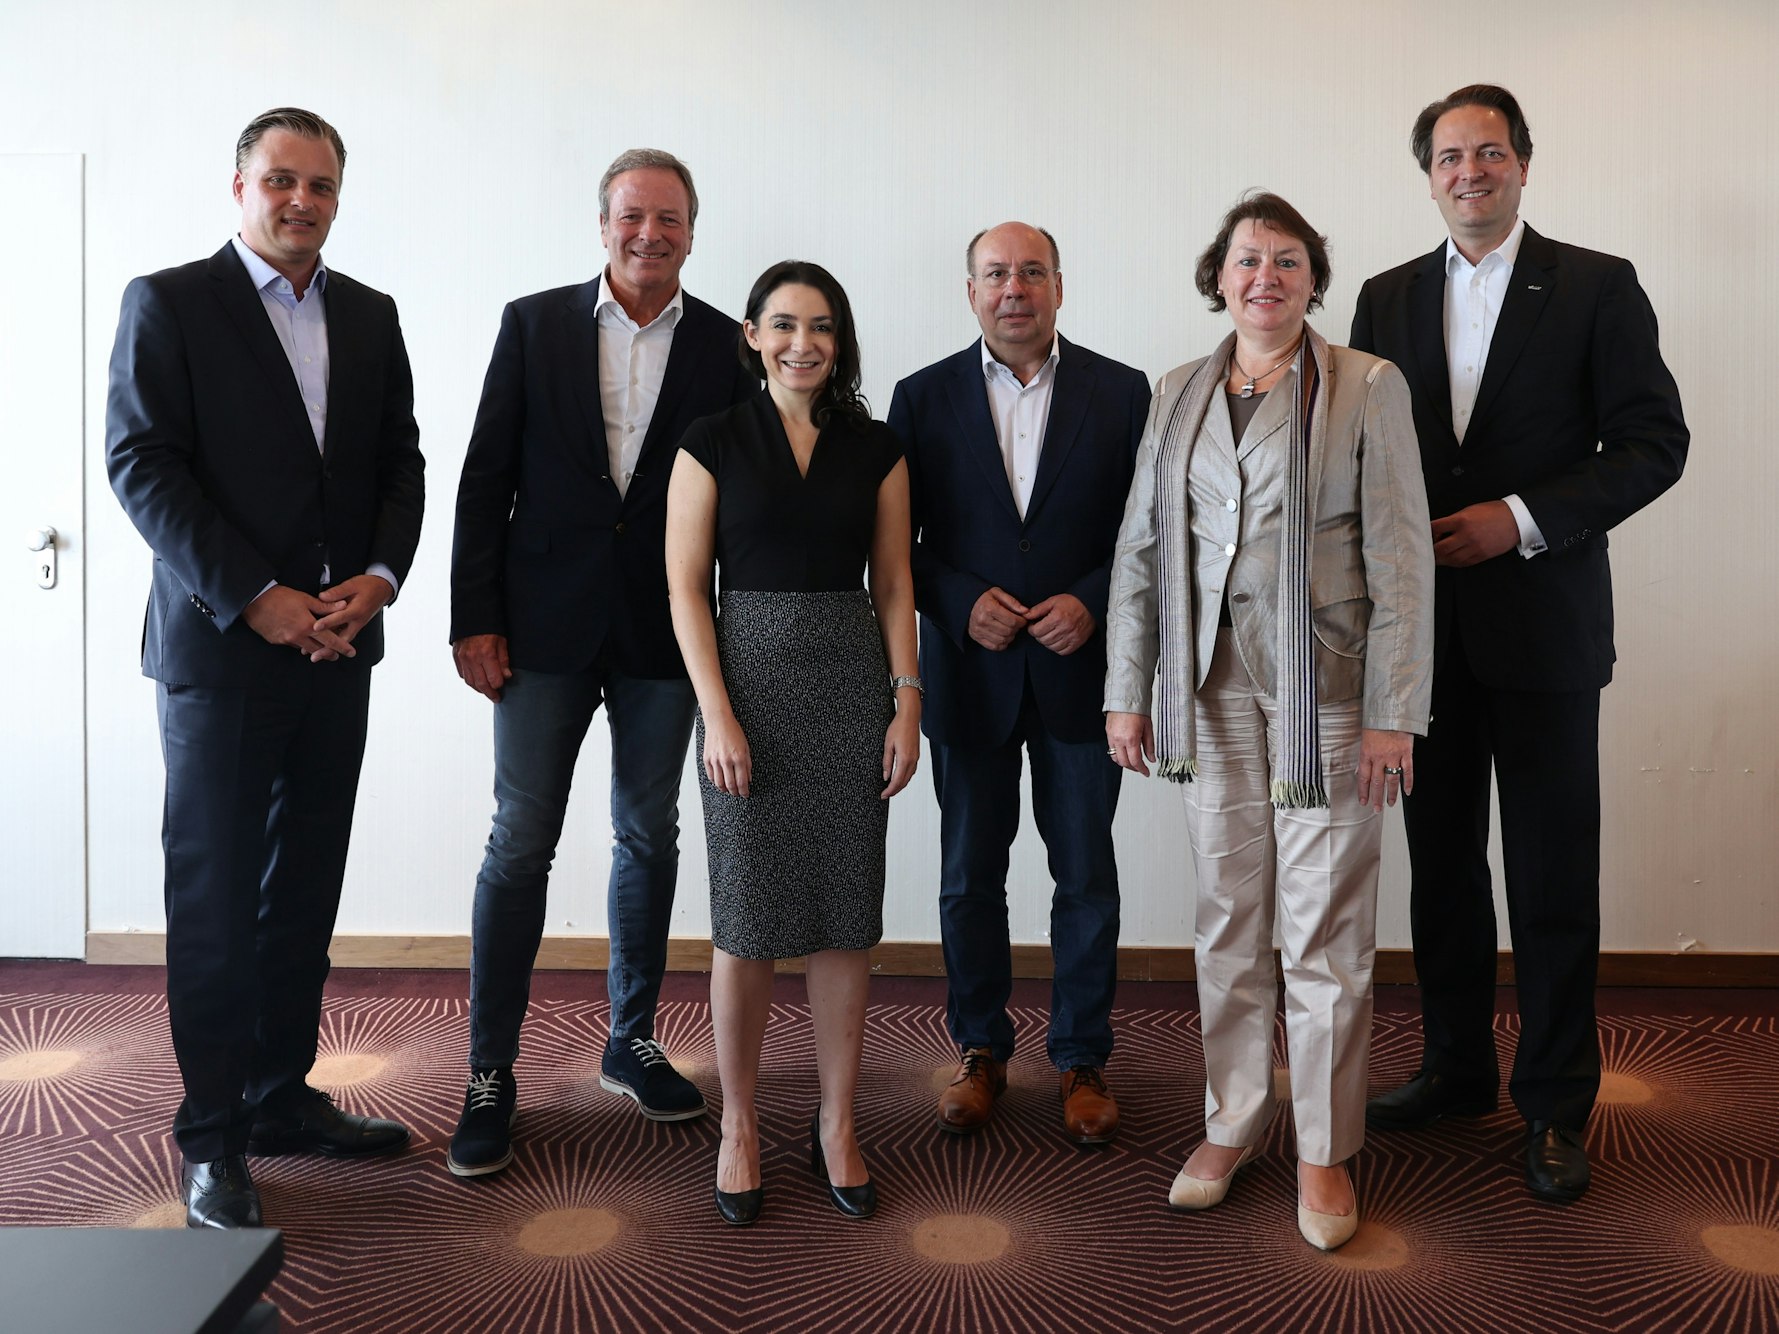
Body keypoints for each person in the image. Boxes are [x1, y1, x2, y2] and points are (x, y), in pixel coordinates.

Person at [1350, 85, 1688, 1204]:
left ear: (1524, 164)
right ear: (1429, 174)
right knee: (1441, 871)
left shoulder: (1597, 284)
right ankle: (1455, 1069)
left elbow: (1652, 443)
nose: (1470, 170)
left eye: (1489, 151)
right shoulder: (1383, 297)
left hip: (1545, 631)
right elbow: (1357, 462)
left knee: (1551, 878)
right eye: (1449, 155)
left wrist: (1520, 519)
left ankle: (1553, 1103)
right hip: (1419, 646)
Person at [105, 107, 425, 1229]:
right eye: (281, 180)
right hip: (224, 655)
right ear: (237, 184)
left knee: (302, 893)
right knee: (216, 900)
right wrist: (258, 596)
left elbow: (400, 463)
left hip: (341, 646)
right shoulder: (171, 302)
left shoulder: (372, 315)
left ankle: (280, 1096)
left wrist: (377, 579)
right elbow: (142, 464)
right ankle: (212, 1137)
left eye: (322, 186)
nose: (302, 202)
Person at [1104, 191, 1433, 1251]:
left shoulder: (1367, 386)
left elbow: (1399, 557)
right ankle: (1233, 1119)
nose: (1266, 279)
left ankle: (1325, 1149)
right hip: (1204, 696)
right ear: (1220, 276)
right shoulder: (1177, 393)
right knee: (1227, 919)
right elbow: (1143, 550)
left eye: (1287, 262)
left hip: (1327, 694)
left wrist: (1395, 712)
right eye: (1248, 261)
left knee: (1327, 931)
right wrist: (1126, 686)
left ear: (1311, 278)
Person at [447, 149, 756, 1177]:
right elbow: (484, 474)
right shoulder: (534, 323)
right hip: (537, 626)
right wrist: (472, 616)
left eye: (669, 218)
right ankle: (490, 1068)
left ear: (692, 232)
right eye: (633, 215)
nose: (649, 234)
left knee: (647, 831)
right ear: (602, 222)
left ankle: (630, 1038)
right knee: (519, 838)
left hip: (665, 632)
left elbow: (742, 495)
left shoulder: (727, 344)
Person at [665, 260, 920, 1225]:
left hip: (851, 684)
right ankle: (739, 1125)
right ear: (751, 334)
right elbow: (687, 587)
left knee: (845, 915)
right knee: (747, 919)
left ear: (839, 339)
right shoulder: (712, 441)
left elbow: (894, 584)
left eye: (819, 327)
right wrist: (717, 713)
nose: (801, 343)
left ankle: (837, 1120)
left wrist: (906, 702)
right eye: (782, 325)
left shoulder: (879, 447)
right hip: (747, 687)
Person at [887, 223, 1149, 1145]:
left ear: (1059, 287)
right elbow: (895, 544)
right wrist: (957, 603)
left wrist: (1090, 598)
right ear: (970, 292)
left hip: (1081, 678)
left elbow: (1144, 532)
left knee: (1085, 877)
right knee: (969, 878)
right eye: (995, 274)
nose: (1013, 290)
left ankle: (1083, 1057)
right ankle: (980, 1049)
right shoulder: (918, 399)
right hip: (972, 674)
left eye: (1030, 272)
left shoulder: (1121, 393)